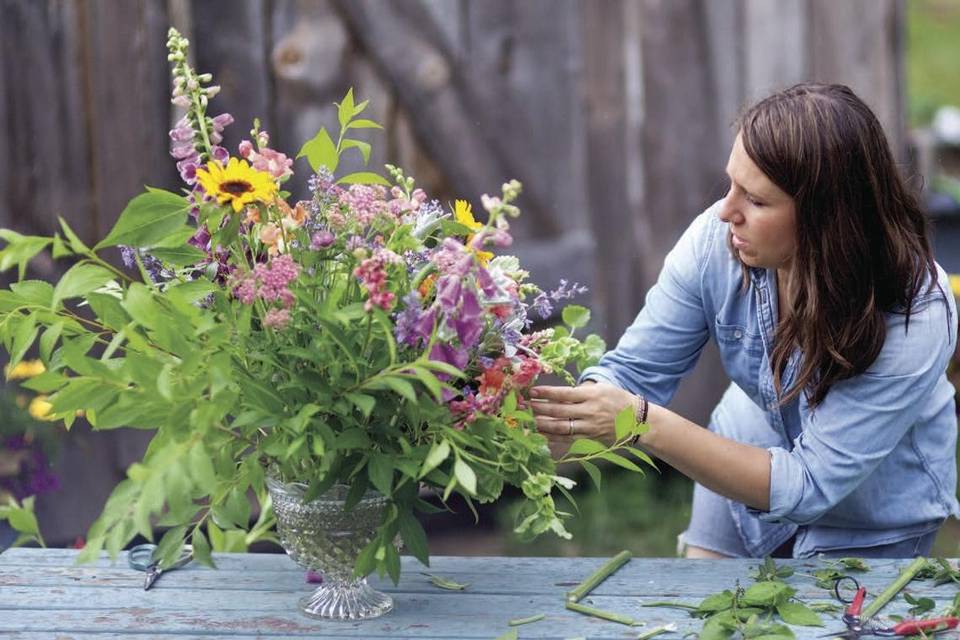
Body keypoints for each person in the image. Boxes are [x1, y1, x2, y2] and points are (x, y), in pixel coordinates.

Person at [530, 83, 960, 559]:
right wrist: (552, 420)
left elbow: (809, 484)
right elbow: (634, 374)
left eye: (756, 201)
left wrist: (640, 424)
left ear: (826, 220)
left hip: (873, 515)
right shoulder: (716, 244)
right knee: (704, 621)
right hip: (743, 444)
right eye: (731, 184)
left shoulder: (916, 313)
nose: (725, 211)